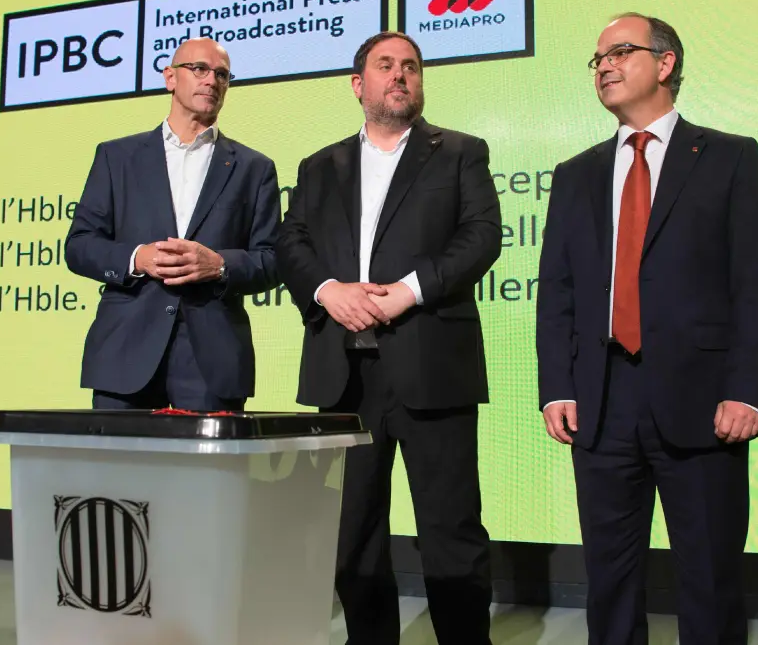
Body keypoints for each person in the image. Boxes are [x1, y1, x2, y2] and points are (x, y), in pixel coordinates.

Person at [536, 13, 758, 645]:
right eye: (598, 59)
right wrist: (557, 386)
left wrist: (748, 391)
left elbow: (755, 284)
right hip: (601, 401)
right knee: (609, 581)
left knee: (709, 577)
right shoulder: (575, 173)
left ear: (665, 63)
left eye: (620, 52)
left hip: (703, 401)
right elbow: (558, 291)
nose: (605, 67)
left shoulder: (729, 157)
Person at [275, 31, 501, 645]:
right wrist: (328, 290)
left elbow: (481, 235)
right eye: (385, 65)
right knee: (352, 533)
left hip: (432, 366)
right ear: (358, 84)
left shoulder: (459, 152)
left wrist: (409, 290)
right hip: (344, 376)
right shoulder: (319, 166)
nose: (400, 75)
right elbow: (291, 243)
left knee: (451, 530)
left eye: (410, 66)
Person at [65, 38, 281, 411]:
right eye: (199, 69)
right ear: (170, 77)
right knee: (121, 453)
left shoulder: (254, 168)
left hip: (212, 362)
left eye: (222, 74)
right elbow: (80, 246)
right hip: (125, 355)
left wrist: (219, 265)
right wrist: (138, 258)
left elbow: (273, 259)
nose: (211, 80)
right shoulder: (117, 157)